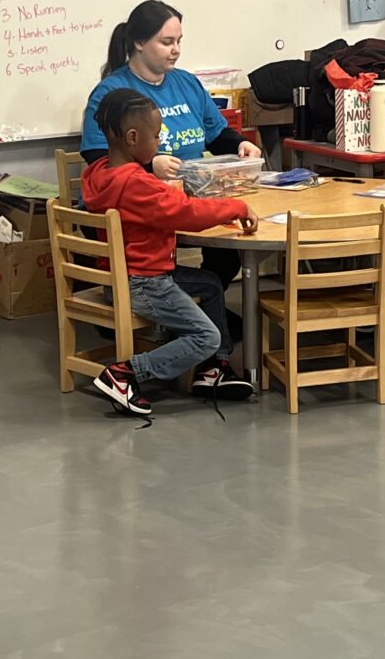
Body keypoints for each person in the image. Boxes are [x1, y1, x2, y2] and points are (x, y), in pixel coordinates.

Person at [81, 0, 261, 336]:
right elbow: (99, 157)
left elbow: (216, 132)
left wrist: (239, 144)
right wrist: (150, 163)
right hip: (147, 211)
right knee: (215, 232)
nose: (176, 50)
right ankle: (191, 318)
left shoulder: (187, 83)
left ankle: (201, 311)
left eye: (179, 41)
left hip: (191, 197)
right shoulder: (111, 92)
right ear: (138, 42)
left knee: (229, 248)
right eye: (166, 42)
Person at [82, 88, 259, 416]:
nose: (160, 142)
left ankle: (212, 369)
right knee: (205, 337)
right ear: (132, 138)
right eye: (156, 136)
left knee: (209, 284)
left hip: (121, 276)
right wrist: (236, 206)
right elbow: (186, 213)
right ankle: (127, 374)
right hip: (145, 281)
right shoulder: (138, 184)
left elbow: (169, 208)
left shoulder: (99, 173)